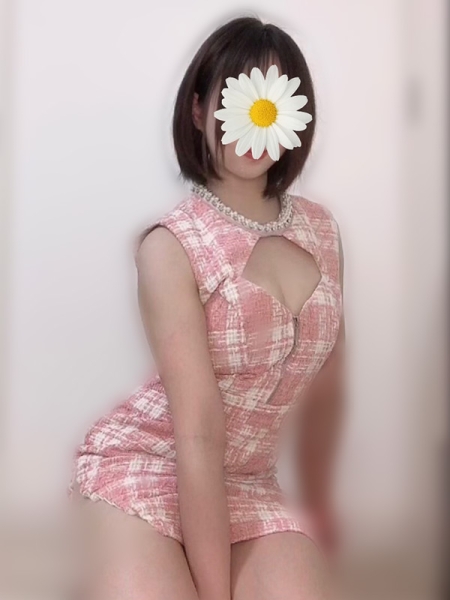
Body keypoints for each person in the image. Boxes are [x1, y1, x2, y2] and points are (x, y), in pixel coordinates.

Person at [68, 14, 346, 600]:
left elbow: (329, 388)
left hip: (248, 481)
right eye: (235, 98)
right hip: (151, 466)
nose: (254, 119)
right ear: (199, 111)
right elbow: (197, 435)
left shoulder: (322, 231)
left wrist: (319, 509)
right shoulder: (171, 246)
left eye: (271, 101)